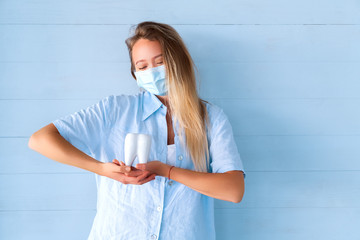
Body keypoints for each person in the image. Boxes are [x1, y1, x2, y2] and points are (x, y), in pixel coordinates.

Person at [28, 21, 246, 240]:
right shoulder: (114, 110)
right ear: (136, 74)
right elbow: (40, 139)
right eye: (142, 67)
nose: (152, 72)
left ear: (178, 62)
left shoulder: (211, 118)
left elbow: (233, 190)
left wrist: (167, 170)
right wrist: (101, 169)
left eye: (159, 62)